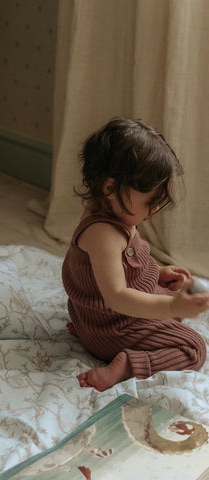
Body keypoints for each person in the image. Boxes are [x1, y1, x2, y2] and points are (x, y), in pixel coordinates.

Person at [62, 117, 209, 392]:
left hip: (100, 316)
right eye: (150, 202)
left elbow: (123, 265)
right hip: (112, 326)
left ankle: (93, 329)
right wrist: (172, 307)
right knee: (194, 348)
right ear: (110, 188)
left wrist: (157, 274)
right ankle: (128, 364)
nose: (154, 211)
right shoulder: (102, 234)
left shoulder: (115, 210)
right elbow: (117, 297)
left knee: (177, 303)